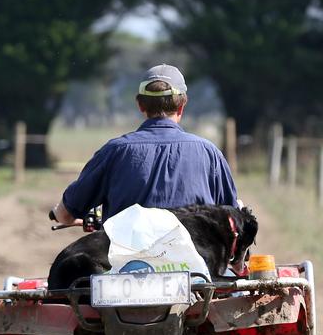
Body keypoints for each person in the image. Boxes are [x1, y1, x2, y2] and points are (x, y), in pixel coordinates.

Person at [51, 64, 239, 226]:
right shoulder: (209, 153)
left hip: (126, 264)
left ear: (140, 105)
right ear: (182, 105)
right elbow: (232, 218)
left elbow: (66, 213)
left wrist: (62, 215)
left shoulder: (115, 151)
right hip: (197, 265)